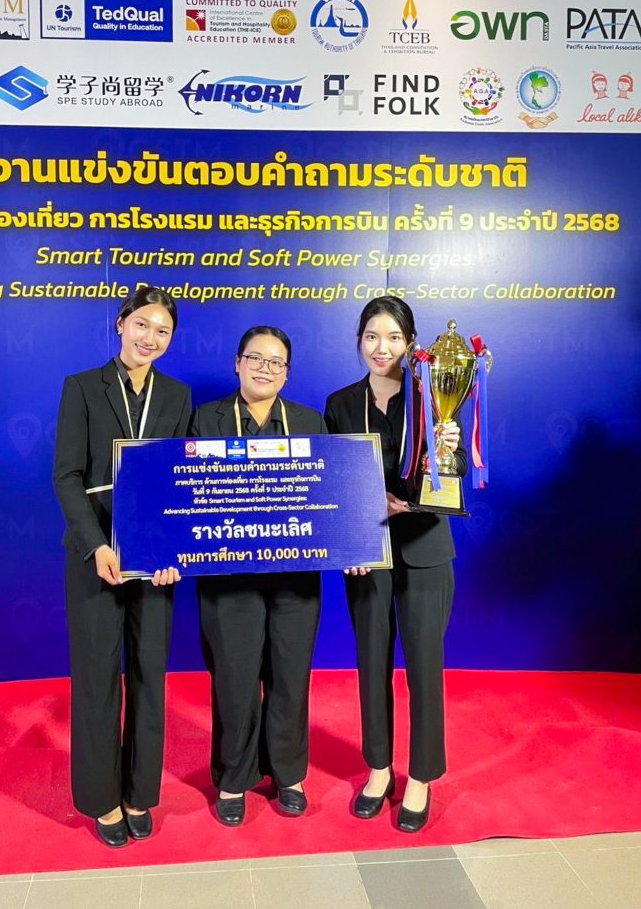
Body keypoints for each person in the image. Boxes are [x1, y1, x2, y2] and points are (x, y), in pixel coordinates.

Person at [53, 287, 191, 848]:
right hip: (96, 556)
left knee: (150, 676)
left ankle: (138, 793)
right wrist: (96, 546)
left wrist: (171, 553)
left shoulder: (177, 395)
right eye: (141, 325)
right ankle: (102, 799)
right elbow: (66, 476)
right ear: (120, 324)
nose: (149, 338)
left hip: (154, 558)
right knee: (96, 678)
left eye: (162, 331)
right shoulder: (83, 387)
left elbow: (181, 478)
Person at [324, 296, 466, 832]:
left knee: (425, 665)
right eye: (371, 336)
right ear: (359, 341)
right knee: (371, 661)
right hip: (368, 550)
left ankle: (421, 777)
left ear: (410, 343)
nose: (381, 348)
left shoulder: (434, 395)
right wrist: (360, 518)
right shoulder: (340, 403)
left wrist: (449, 447)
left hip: (426, 546)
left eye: (393, 337)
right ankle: (379, 769)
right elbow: (331, 479)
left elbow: (453, 473)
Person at [189, 326, 326, 826]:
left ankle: (288, 773)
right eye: (256, 358)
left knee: (290, 676)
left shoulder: (310, 421)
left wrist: (356, 541)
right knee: (236, 679)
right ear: (237, 363)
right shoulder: (205, 419)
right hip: (228, 575)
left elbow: (332, 492)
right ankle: (233, 777)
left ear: (287, 373)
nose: (265, 369)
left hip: (295, 573)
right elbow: (184, 493)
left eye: (276, 362)